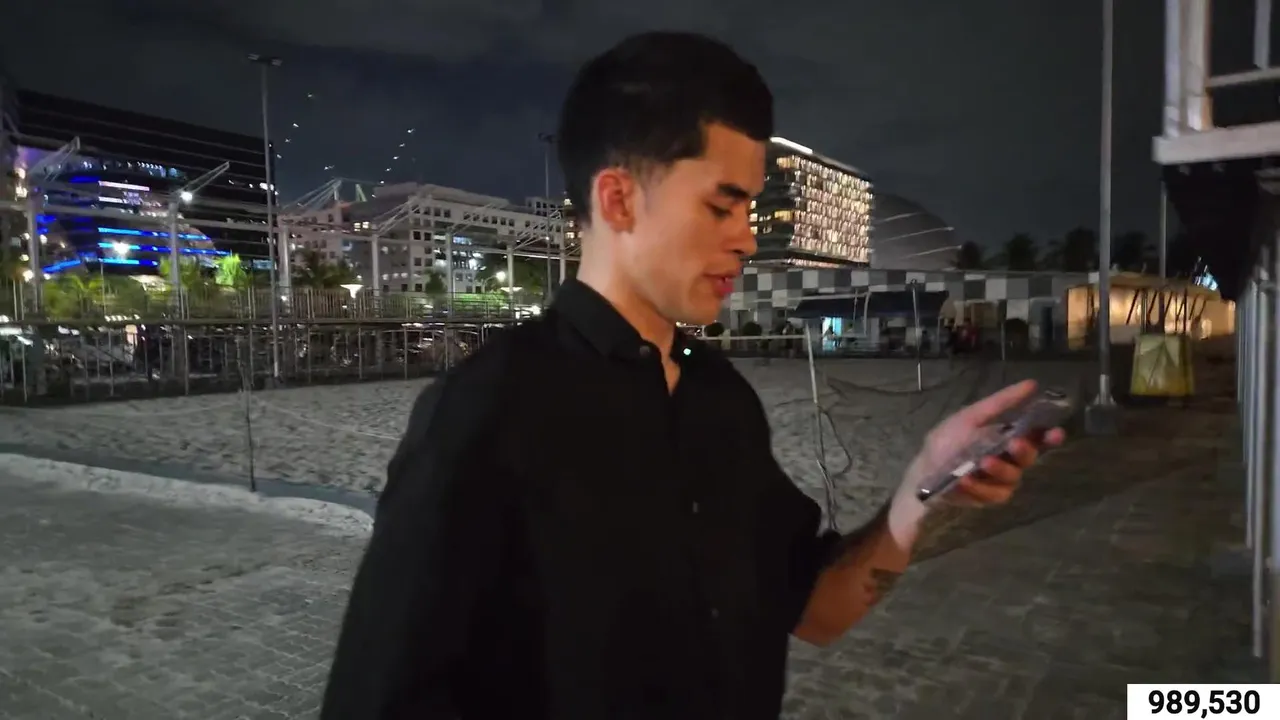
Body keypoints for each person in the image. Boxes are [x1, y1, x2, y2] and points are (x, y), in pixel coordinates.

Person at [320, 31, 1065, 720]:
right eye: (721, 206)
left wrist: (921, 491)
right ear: (618, 199)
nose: (746, 240)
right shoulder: (484, 410)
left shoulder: (721, 400)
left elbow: (815, 609)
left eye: (750, 209)